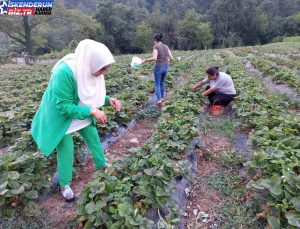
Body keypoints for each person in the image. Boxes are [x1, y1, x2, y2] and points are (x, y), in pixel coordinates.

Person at [31, 39, 122, 202]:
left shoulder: (90, 68)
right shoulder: (65, 72)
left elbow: (89, 92)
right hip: (62, 117)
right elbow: (64, 106)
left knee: (93, 137)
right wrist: (92, 111)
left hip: (81, 111)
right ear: (93, 63)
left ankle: (102, 166)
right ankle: (65, 185)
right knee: (67, 149)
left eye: (106, 68)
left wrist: (109, 100)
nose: (105, 72)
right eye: (103, 68)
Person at [142, 33, 173, 106]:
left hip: (159, 67)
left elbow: (154, 58)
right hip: (166, 67)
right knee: (162, 83)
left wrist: (145, 60)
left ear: (155, 40)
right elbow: (171, 58)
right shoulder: (166, 46)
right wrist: (167, 61)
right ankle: (162, 98)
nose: (154, 42)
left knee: (157, 84)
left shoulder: (156, 46)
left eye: (154, 40)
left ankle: (159, 100)